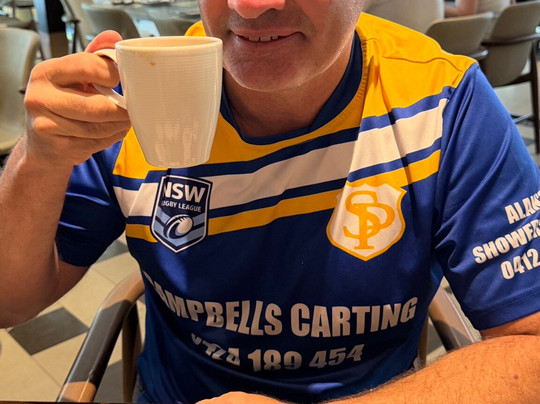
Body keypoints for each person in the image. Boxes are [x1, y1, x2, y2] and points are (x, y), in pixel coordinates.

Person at [1, 0, 539, 403]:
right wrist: (38, 159)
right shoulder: (143, 89)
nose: (250, 5)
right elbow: (10, 302)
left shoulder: (443, 100)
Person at [444, 0, 513, 17]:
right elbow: (512, 5)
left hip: (483, 37)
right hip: (504, 33)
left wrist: (440, 6)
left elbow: (465, 14)